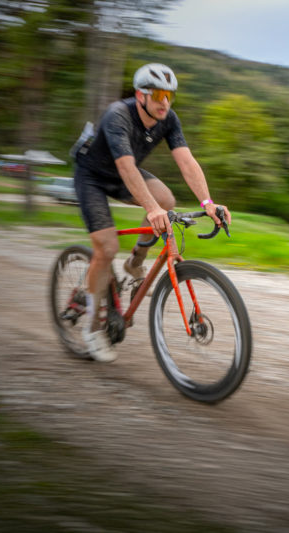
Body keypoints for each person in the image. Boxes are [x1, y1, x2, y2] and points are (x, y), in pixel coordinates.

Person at [73, 63, 231, 362]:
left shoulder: (168, 119)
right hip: (92, 176)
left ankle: (135, 263)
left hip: (124, 175)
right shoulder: (118, 115)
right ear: (140, 95)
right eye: (158, 95)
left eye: (170, 96)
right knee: (107, 248)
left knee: (166, 199)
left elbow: (187, 162)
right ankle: (92, 329)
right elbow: (126, 167)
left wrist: (208, 203)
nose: (164, 102)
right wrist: (151, 208)